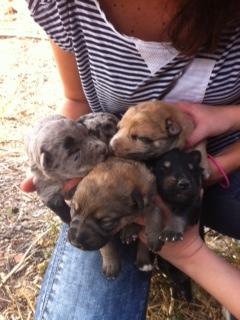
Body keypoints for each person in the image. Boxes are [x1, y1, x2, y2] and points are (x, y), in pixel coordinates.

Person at [21, 0, 240, 319]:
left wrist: (226, 136)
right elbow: (76, 100)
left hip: (222, 160)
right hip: (115, 188)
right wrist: (64, 165)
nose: (117, 142)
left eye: (135, 136)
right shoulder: (63, 6)